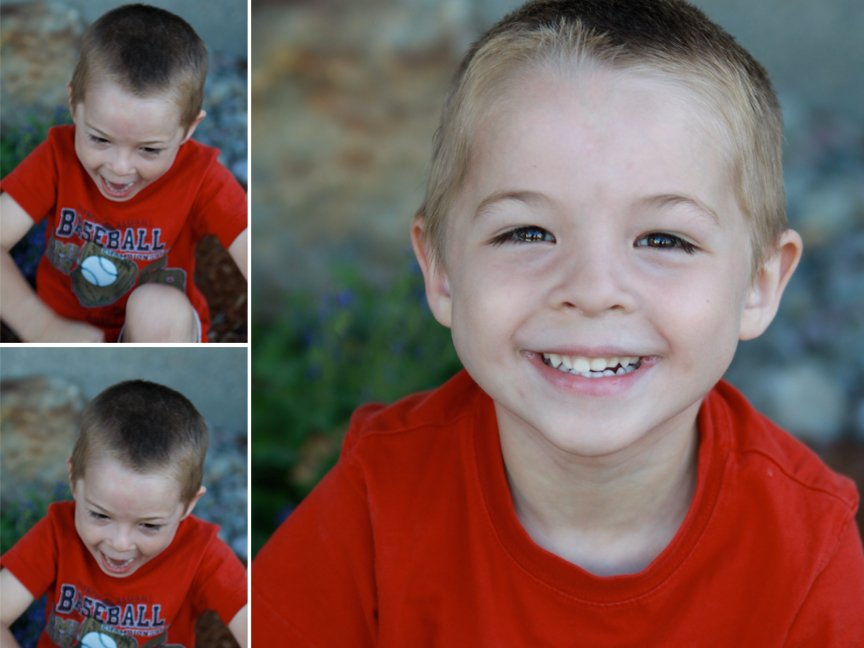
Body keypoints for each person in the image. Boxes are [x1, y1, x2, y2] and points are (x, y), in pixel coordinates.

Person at [251, 0, 864, 644]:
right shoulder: (380, 499)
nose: (593, 291)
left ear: (759, 286)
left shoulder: (806, 547)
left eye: (663, 240)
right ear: (441, 271)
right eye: (528, 231)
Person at [0, 4, 248, 343]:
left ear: (189, 129)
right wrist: (39, 325)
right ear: (74, 104)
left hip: (159, 333)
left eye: (149, 149)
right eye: (99, 139)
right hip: (66, 331)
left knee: (156, 307)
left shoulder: (202, 178)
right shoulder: (59, 158)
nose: (119, 168)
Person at [0, 380, 248, 648]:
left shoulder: (201, 555)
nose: (119, 543)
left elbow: (263, 627)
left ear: (188, 504)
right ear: (73, 479)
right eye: (100, 515)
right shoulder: (58, 533)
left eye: (150, 525)